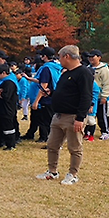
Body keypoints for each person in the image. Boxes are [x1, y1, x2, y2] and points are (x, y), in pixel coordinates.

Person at [36, 45, 93, 185]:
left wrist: (80, 118)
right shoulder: (66, 73)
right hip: (58, 115)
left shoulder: (83, 73)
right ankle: (52, 171)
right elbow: (63, 92)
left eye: (60, 57)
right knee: (52, 145)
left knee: (74, 147)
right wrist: (52, 93)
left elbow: (86, 96)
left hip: (73, 116)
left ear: (67, 56)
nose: (58, 60)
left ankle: (73, 174)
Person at [29, 47, 63, 144]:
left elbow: (43, 85)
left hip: (47, 98)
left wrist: (36, 101)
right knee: (52, 118)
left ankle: (47, 138)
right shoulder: (57, 67)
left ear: (44, 56)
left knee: (45, 120)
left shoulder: (46, 68)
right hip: (56, 96)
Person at [0, 64, 19, 150]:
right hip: (0, 109)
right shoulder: (4, 82)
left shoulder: (9, 82)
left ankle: (10, 144)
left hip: (7, 109)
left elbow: (5, 96)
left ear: (3, 73)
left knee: (8, 127)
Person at [87, 50, 109, 140]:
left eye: (93, 56)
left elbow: (107, 84)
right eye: (89, 57)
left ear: (99, 57)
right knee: (90, 115)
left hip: (100, 96)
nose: (90, 58)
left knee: (101, 115)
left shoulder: (104, 69)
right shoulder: (87, 68)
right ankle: (89, 131)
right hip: (90, 97)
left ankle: (105, 131)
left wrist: (104, 96)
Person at [83, 75, 101, 142]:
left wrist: (92, 105)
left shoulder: (93, 84)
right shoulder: (83, 82)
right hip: (83, 106)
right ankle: (86, 133)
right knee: (85, 121)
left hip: (91, 106)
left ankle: (91, 135)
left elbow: (95, 94)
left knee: (91, 121)